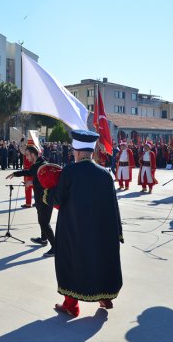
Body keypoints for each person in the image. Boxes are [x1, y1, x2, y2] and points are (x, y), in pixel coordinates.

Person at [44, 130, 123, 317]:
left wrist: (47, 189)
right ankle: (105, 297)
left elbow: (58, 200)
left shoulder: (70, 171)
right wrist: (117, 231)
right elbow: (113, 205)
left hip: (75, 228)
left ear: (77, 151)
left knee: (73, 262)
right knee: (101, 259)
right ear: (92, 151)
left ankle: (71, 306)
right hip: (101, 229)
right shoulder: (105, 174)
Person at [6, 145, 54, 252]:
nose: (26, 158)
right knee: (41, 221)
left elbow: (46, 183)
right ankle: (43, 239)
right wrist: (15, 174)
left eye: (27, 155)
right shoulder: (36, 165)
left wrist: (32, 182)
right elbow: (29, 172)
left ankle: (55, 247)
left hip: (46, 199)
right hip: (39, 199)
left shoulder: (43, 165)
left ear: (33, 154)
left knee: (45, 223)